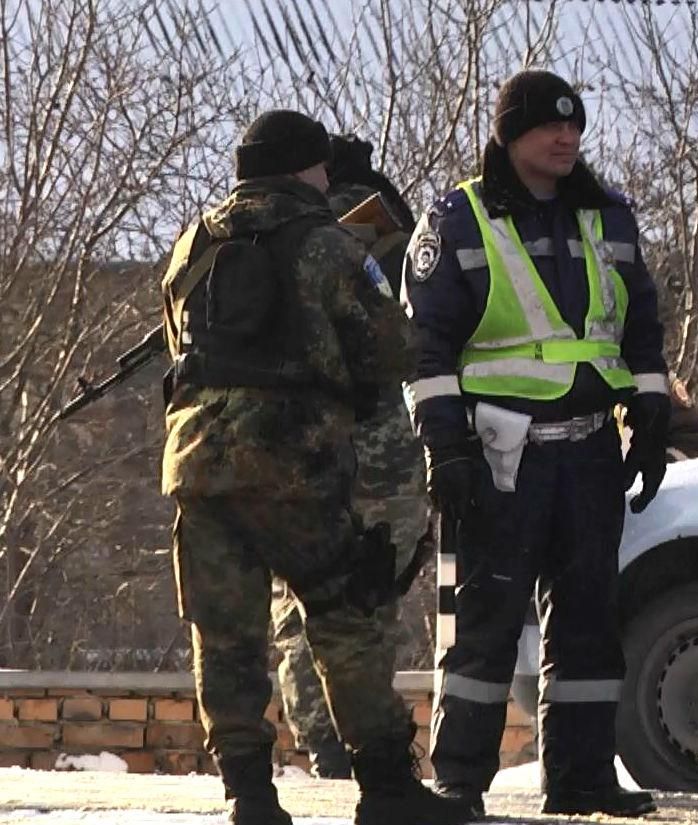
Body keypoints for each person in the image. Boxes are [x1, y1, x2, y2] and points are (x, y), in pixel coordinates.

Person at [159, 109, 469, 825]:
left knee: (225, 633)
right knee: (345, 616)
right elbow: (392, 351)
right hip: (298, 466)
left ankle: (249, 792)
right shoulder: (330, 246)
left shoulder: (191, 245)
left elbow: (180, 343)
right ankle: (387, 786)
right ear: (305, 168)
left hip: (198, 467)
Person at [402, 70, 669, 818]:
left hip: (588, 450)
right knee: (485, 624)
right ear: (509, 135)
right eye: (549, 128)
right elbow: (424, 350)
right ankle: (459, 779)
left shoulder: (609, 215)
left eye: (574, 127)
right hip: (500, 454)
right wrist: (445, 449)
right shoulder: (459, 218)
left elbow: (641, 327)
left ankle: (582, 777)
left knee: (589, 622)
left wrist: (650, 423)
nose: (565, 139)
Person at [269, 133, 427, 781]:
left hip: (331, 437)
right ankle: (359, 733)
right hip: (386, 442)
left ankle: (329, 738)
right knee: (371, 588)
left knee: (306, 594)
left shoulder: (327, 224)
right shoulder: (379, 214)